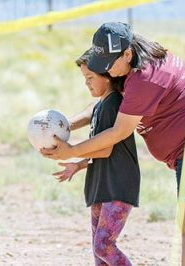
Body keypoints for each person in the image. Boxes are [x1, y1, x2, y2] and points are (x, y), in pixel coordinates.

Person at [42, 22, 185, 265]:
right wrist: (65, 126)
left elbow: (119, 131)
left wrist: (71, 151)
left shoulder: (147, 76)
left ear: (127, 53)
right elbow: (104, 102)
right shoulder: (128, 66)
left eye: (109, 65)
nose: (108, 72)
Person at [51, 49, 140, 266]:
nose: (86, 83)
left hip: (117, 186)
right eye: (84, 79)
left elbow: (106, 150)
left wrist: (72, 150)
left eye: (90, 78)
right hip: (101, 185)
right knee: (98, 252)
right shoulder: (101, 105)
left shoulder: (113, 104)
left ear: (107, 75)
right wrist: (79, 165)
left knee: (103, 246)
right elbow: (101, 150)